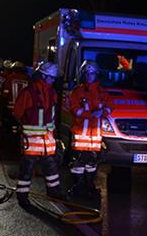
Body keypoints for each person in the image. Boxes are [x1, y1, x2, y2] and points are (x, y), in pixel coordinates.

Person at [13, 61, 64, 207]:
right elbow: (17, 112)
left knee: (51, 168)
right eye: (51, 78)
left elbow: (52, 117)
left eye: (54, 78)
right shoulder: (29, 92)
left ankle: (54, 192)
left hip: (47, 141)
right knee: (27, 169)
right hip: (32, 141)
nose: (53, 81)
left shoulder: (52, 93)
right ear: (43, 76)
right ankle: (22, 196)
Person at [67, 60, 112, 199]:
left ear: (96, 74)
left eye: (92, 73)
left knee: (92, 162)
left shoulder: (102, 92)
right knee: (79, 162)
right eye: (87, 73)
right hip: (81, 133)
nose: (89, 76)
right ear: (83, 74)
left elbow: (110, 107)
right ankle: (78, 186)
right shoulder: (77, 91)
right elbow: (74, 109)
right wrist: (90, 114)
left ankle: (89, 186)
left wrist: (103, 112)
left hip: (95, 134)